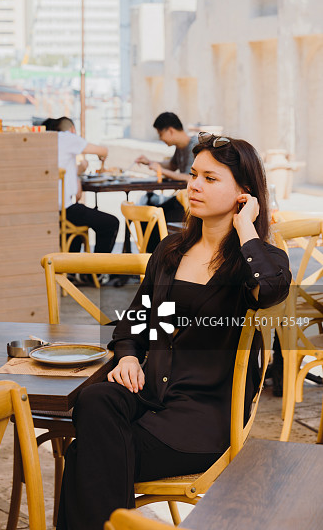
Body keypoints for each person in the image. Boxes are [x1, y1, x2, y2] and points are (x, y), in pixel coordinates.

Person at [56, 133, 291, 530]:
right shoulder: (171, 251)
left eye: (211, 179)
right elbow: (138, 316)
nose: (194, 185)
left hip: (198, 421)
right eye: (194, 174)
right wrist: (129, 355)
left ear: (243, 194)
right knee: (95, 399)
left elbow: (270, 290)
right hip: (149, 396)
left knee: (83, 457)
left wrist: (247, 228)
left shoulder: (253, 262)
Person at [52, 116, 119, 255]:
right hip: (65, 210)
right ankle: (97, 271)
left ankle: (73, 270)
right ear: (72, 129)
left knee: (81, 219)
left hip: (51, 212)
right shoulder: (67, 137)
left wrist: (79, 170)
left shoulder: (49, 144)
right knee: (110, 223)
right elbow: (103, 150)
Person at [134, 112, 199, 251]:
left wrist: (160, 170)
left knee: (154, 217)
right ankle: (151, 258)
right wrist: (149, 162)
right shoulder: (181, 147)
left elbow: (190, 178)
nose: (160, 138)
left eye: (160, 134)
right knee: (149, 212)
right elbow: (172, 166)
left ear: (170, 131)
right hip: (182, 199)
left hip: (190, 203)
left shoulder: (194, 146)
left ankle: (154, 258)